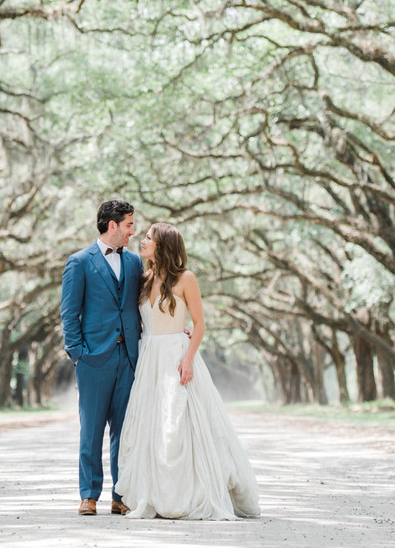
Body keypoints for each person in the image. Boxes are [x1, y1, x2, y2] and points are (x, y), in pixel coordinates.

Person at [116, 223, 260, 520]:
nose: (141, 242)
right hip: (149, 358)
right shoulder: (144, 279)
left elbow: (199, 324)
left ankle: (186, 494)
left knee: (176, 424)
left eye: (147, 238)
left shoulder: (186, 279)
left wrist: (189, 358)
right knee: (149, 426)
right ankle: (154, 494)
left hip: (176, 357)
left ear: (163, 245)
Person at [60, 200, 142, 516]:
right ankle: (89, 495)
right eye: (129, 225)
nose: (133, 232)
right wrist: (78, 354)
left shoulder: (135, 263)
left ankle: (120, 495)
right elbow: (69, 312)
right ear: (113, 225)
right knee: (91, 431)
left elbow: (147, 303)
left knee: (125, 431)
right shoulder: (79, 262)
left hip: (129, 358)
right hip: (93, 359)